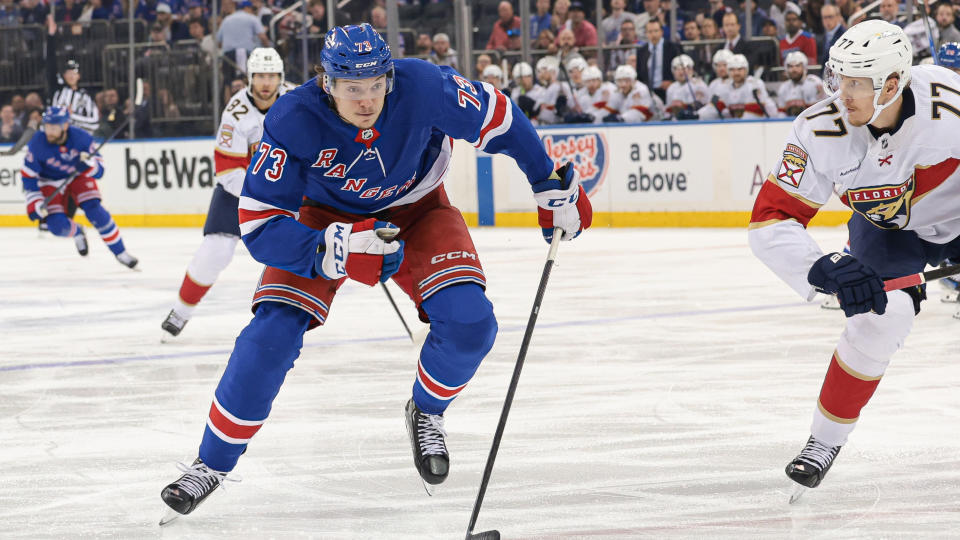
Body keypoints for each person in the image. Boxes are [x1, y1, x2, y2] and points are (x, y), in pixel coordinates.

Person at [158, 23, 592, 520]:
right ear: (327, 82)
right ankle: (211, 464)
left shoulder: (424, 85)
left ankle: (425, 411)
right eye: (352, 88)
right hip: (321, 220)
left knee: (472, 324)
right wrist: (331, 249)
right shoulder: (293, 116)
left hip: (419, 206)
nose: (366, 100)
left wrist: (545, 181)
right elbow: (258, 226)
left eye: (375, 85)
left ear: (389, 76)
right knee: (270, 335)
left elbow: (500, 117)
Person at [748, 20, 960, 498]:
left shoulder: (951, 107)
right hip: (888, 231)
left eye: (856, 83)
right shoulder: (819, 130)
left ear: (892, 83)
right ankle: (823, 442)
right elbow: (769, 221)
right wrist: (820, 268)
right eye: (837, 77)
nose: (841, 94)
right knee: (877, 320)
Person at [162, 48, 293, 340]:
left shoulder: (297, 101)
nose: (265, 83)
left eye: (271, 75)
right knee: (215, 250)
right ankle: (181, 311)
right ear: (250, 78)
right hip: (241, 193)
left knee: (296, 250)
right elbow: (228, 169)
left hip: (288, 191)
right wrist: (260, 194)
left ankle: (293, 315)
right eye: (260, 75)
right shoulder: (236, 112)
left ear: (280, 77)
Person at [21, 107, 138, 268]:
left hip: (77, 176)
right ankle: (78, 232)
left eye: (54, 127)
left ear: (65, 126)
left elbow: (100, 171)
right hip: (49, 180)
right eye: (47, 126)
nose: (49, 131)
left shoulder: (81, 138)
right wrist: (33, 201)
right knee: (56, 226)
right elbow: (28, 175)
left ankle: (121, 253)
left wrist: (90, 166)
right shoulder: (37, 142)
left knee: (95, 211)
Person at [48, 59, 100, 135]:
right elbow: (53, 116)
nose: (71, 76)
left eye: (74, 73)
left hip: (80, 136)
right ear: (64, 75)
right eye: (68, 73)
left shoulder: (86, 96)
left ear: (79, 76)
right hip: (61, 136)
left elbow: (95, 122)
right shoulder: (58, 94)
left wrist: (71, 116)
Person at [721, 54, 779, 118]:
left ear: (746, 70)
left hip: (761, 124)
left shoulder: (754, 84)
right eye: (732, 69)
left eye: (740, 69)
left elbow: (754, 112)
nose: (736, 73)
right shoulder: (725, 87)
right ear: (728, 71)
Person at [776, 51, 826, 116]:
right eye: (790, 66)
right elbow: (781, 114)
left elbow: (819, 111)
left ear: (804, 67)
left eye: (797, 66)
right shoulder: (783, 87)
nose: (794, 69)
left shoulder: (814, 83)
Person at [665, 54, 708, 120]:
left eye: (684, 69)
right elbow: (669, 112)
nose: (681, 72)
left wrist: (686, 106)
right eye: (677, 69)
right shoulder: (671, 88)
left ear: (691, 70)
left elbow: (704, 107)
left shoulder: (699, 85)